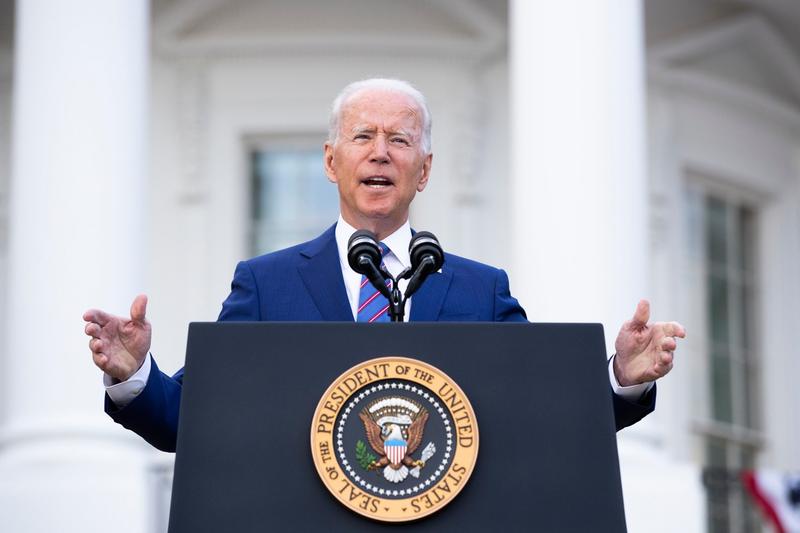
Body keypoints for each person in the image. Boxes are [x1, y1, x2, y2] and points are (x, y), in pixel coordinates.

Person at [83, 78, 686, 453]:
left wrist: (622, 379)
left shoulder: (480, 289)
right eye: (362, 136)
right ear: (330, 161)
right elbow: (189, 420)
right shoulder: (265, 284)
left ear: (423, 170)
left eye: (399, 140)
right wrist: (135, 374)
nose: (379, 152)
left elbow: (548, 416)